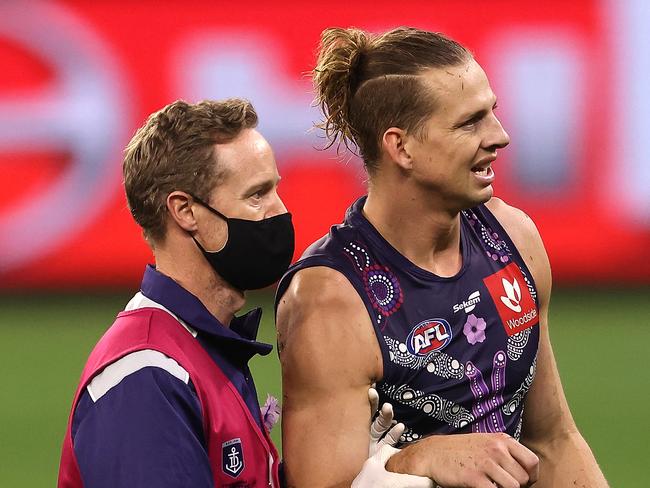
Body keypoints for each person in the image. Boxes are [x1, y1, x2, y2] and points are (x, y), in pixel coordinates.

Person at [276, 27, 609, 487]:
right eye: (470, 122)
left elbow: (553, 440)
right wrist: (419, 459)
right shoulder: (330, 301)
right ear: (401, 147)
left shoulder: (513, 239)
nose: (501, 136)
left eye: (493, 111)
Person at [57, 98, 432, 488]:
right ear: (185, 211)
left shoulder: (203, 350)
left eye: (275, 190)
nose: (280, 210)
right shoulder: (146, 379)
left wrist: (347, 470)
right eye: (257, 195)